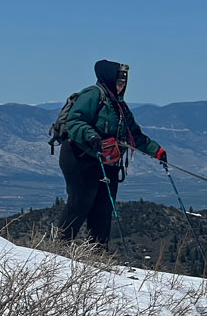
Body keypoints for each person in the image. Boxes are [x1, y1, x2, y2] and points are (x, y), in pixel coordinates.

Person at [58, 59, 167, 247]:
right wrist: (90, 135)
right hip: (80, 157)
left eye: (124, 82)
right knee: (80, 202)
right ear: (107, 79)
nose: (121, 86)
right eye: (118, 82)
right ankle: (59, 247)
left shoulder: (119, 106)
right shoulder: (92, 95)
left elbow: (134, 135)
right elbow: (74, 121)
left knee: (103, 206)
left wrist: (156, 151)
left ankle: (98, 252)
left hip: (107, 160)